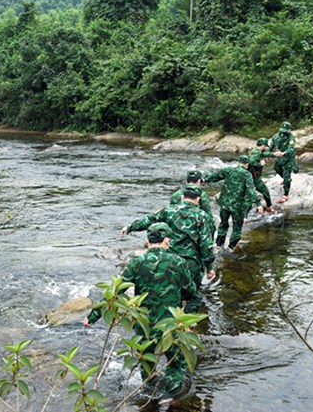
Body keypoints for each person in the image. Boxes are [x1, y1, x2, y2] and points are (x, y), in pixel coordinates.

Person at [84, 223, 201, 408]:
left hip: (145, 324)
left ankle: (150, 393)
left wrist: (93, 316)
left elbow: (116, 292)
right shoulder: (179, 262)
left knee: (146, 361)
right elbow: (193, 296)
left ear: (147, 241)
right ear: (167, 241)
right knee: (176, 362)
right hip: (171, 325)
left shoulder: (137, 263)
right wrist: (187, 317)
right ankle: (167, 396)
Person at [121, 184, 215, 288]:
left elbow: (150, 220)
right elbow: (205, 244)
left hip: (170, 259)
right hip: (192, 261)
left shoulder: (169, 210)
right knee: (191, 291)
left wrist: (130, 227)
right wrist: (209, 267)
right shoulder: (202, 216)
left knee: (169, 288)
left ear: (182, 197)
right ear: (198, 199)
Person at [204, 155, 263, 250]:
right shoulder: (247, 174)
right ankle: (231, 247)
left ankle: (218, 245)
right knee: (237, 227)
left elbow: (215, 176)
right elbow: (251, 190)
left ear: (238, 162)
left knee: (223, 224)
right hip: (237, 206)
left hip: (225, 204)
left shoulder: (228, 170)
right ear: (247, 164)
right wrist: (258, 204)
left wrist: (205, 180)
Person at [170, 170, 216, 237]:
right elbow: (208, 217)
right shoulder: (202, 195)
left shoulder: (176, 194)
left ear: (187, 181)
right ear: (199, 181)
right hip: (192, 231)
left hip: (176, 231)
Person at [269, 121, 298, 204]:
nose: (284, 133)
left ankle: (285, 195)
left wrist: (283, 153)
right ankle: (286, 179)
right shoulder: (276, 136)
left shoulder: (291, 138)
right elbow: (271, 146)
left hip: (289, 157)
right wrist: (268, 155)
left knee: (287, 176)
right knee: (276, 168)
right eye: (283, 131)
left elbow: (291, 149)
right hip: (280, 157)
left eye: (286, 131)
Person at [248, 137, 275, 212]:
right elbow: (252, 162)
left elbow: (263, 155)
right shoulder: (257, 153)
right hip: (254, 177)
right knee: (265, 191)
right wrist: (261, 164)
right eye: (265, 146)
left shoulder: (255, 151)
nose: (266, 148)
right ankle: (269, 206)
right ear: (262, 145)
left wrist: (266, 159)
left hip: (251, 176)